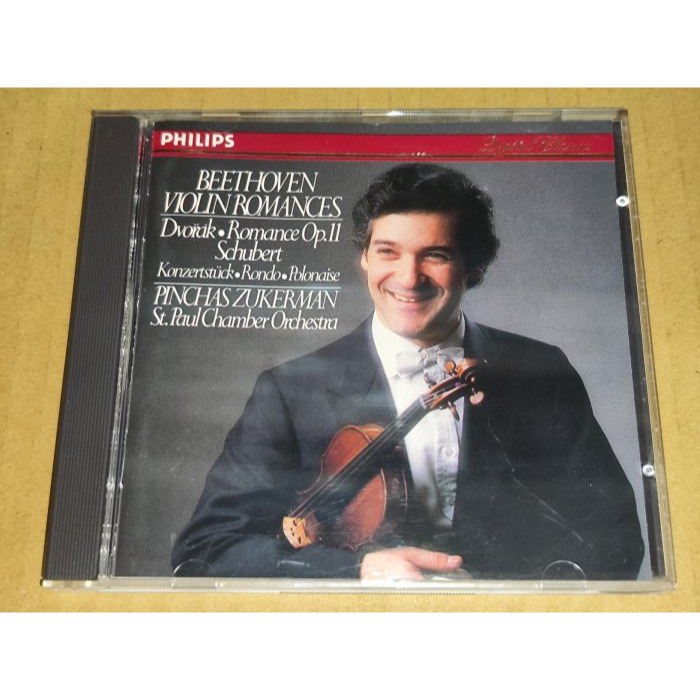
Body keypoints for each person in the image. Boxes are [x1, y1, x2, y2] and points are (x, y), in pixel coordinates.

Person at [172, 163, 644, 581]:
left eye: (435, 254)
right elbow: (205, 551)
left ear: (475, 267)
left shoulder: (540, 372)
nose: (408, 277)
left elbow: (615, 536)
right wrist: (357, 571)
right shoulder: (289, 391)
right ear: (364, 257)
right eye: (388, 252)